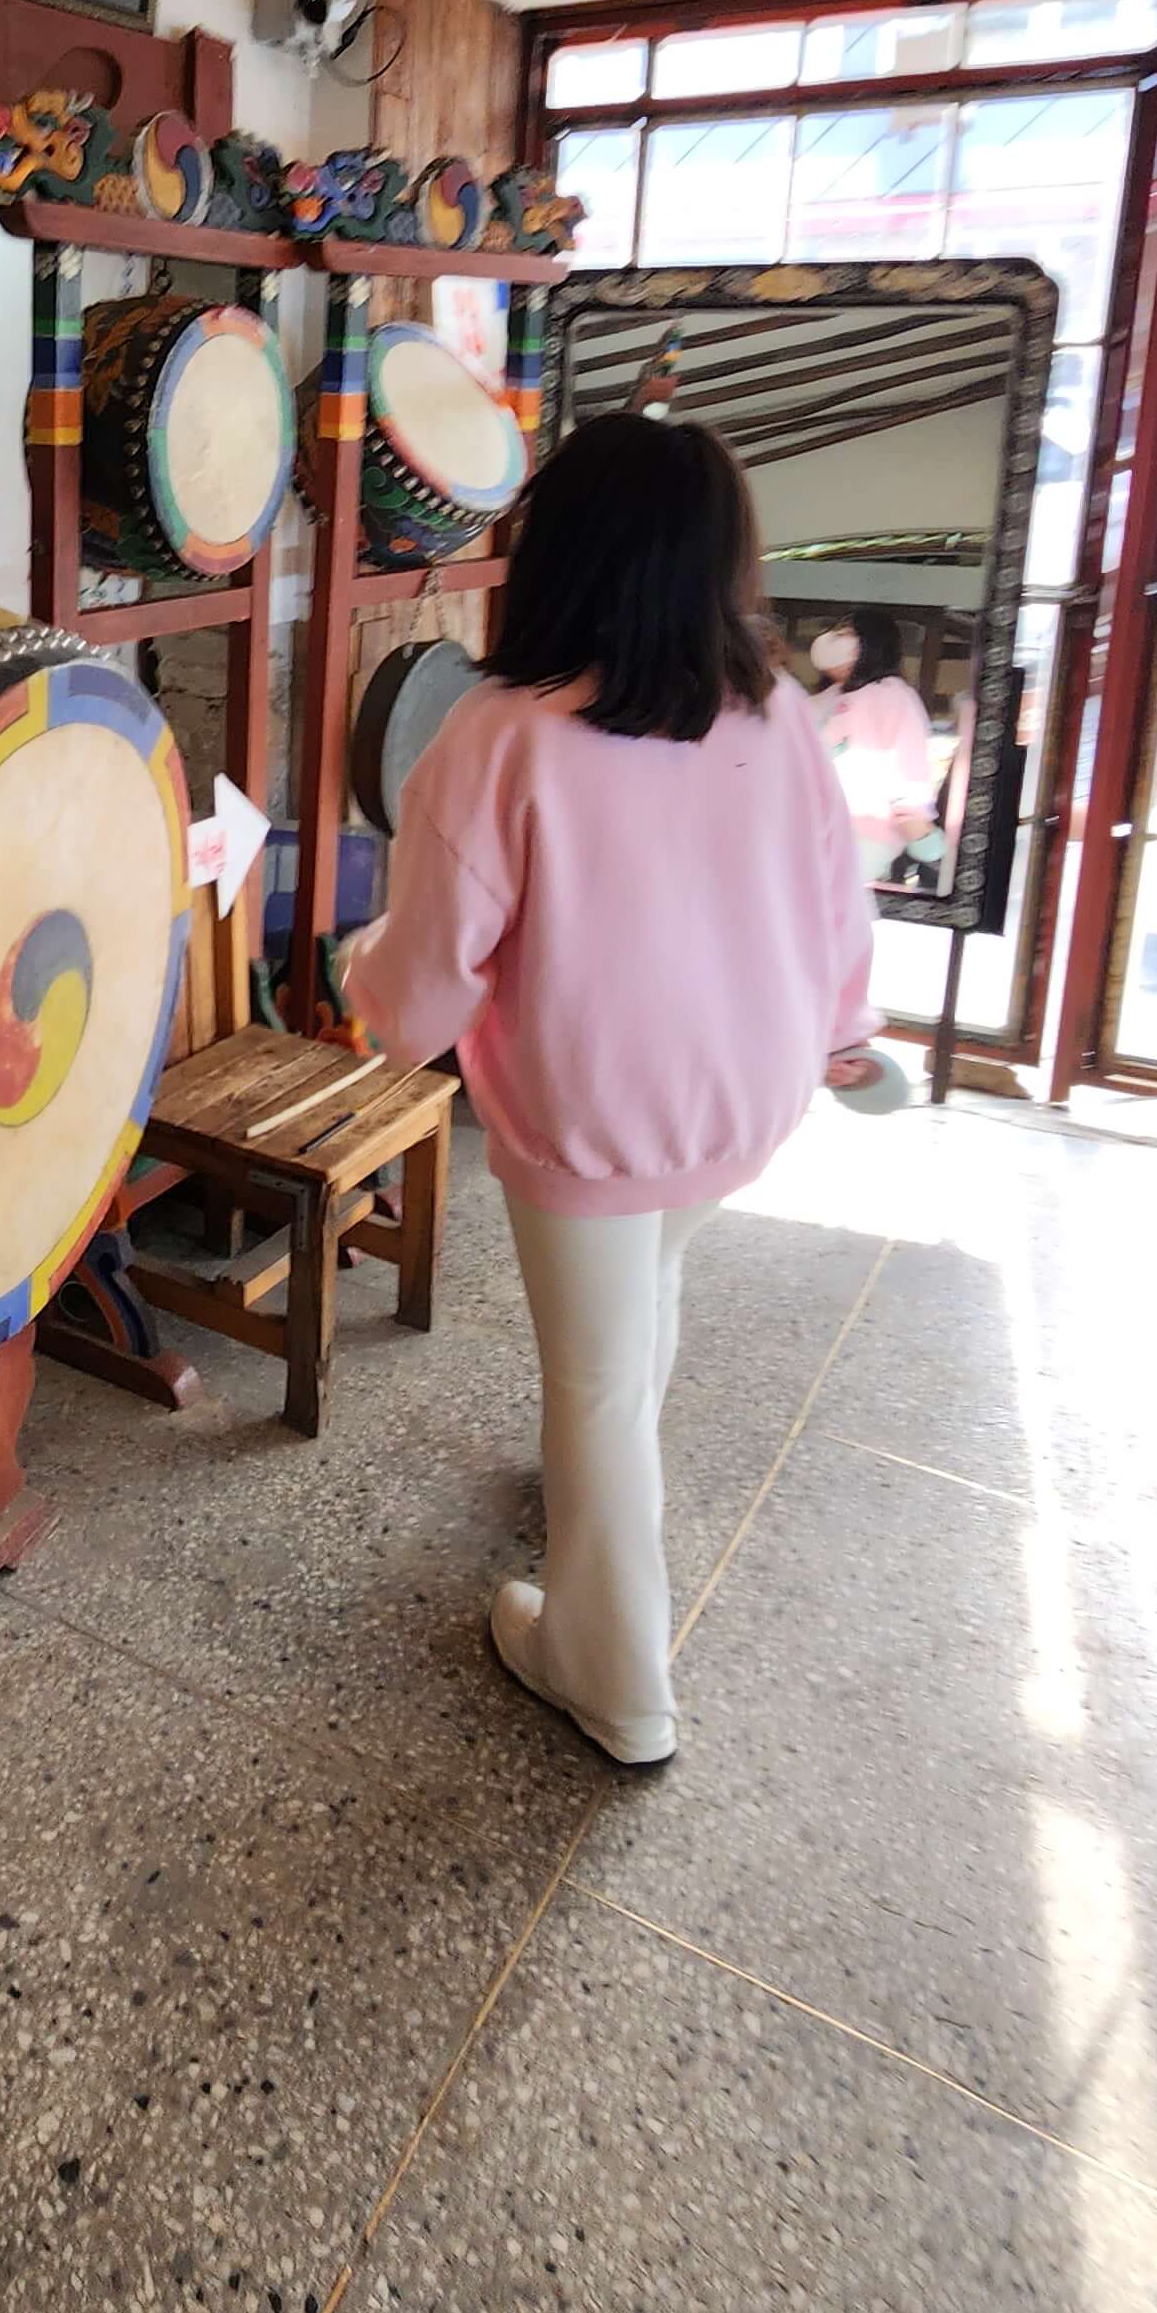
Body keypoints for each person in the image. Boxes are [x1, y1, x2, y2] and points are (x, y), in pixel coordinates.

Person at [343, 412, 877, 1772]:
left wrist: (373, 1006)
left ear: (561, 554)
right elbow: (837, 906)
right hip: (749, 1091)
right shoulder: (779, 711)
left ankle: (614, 1677)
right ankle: (597, 1505)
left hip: (593, 1111)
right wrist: (844, 1038)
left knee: (588, 1382)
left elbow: (421, 980)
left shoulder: (501, 734)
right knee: (640, 1312)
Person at [807, 608, 937, 884]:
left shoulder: (893, 695)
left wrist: (913, 819)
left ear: (871, 645)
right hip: (810, 829)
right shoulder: (821, 700)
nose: (832, 640)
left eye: (846, 634)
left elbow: (909, 763)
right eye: (835, 632)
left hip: (863, 834)